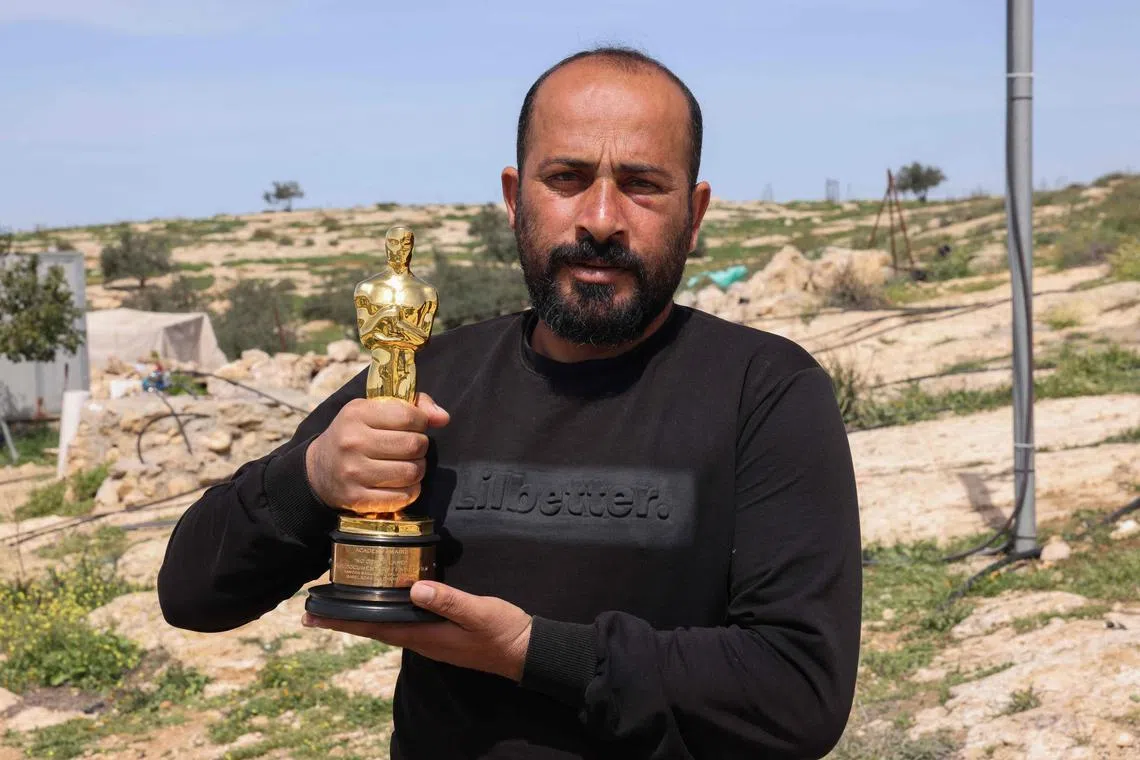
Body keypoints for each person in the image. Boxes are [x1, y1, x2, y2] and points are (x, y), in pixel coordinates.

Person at [158, 46, 862, 760]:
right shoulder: (427, 378)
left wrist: (530, 650)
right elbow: (191, 593)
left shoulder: (765, 392)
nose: (601, 218)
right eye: (566, 177)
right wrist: (310, 479)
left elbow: (799, 693)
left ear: (695, 213)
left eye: (643, 184)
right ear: (513, 196)